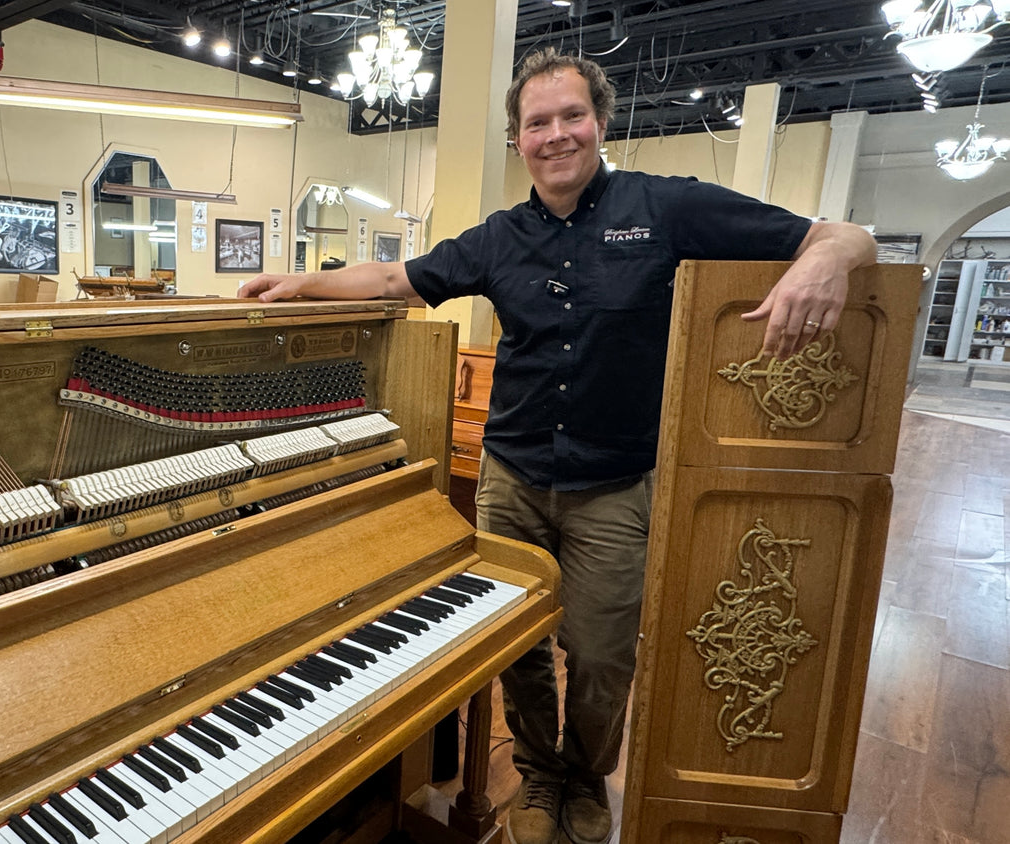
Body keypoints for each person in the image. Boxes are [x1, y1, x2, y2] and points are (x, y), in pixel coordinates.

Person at [239, 47, 875, 844]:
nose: (557, 134)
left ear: (600, 123)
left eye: (572, 116)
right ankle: (538, 774)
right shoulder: (500, 237)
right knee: (517, 644)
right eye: (538, 122)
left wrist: (829, 262)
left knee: (605, 656)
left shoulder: (665, 207)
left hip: (615, 486)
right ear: (519, 141)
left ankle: (586, 776)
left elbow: (838, 234)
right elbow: (398, 280)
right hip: (512, 477)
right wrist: (300, 283)